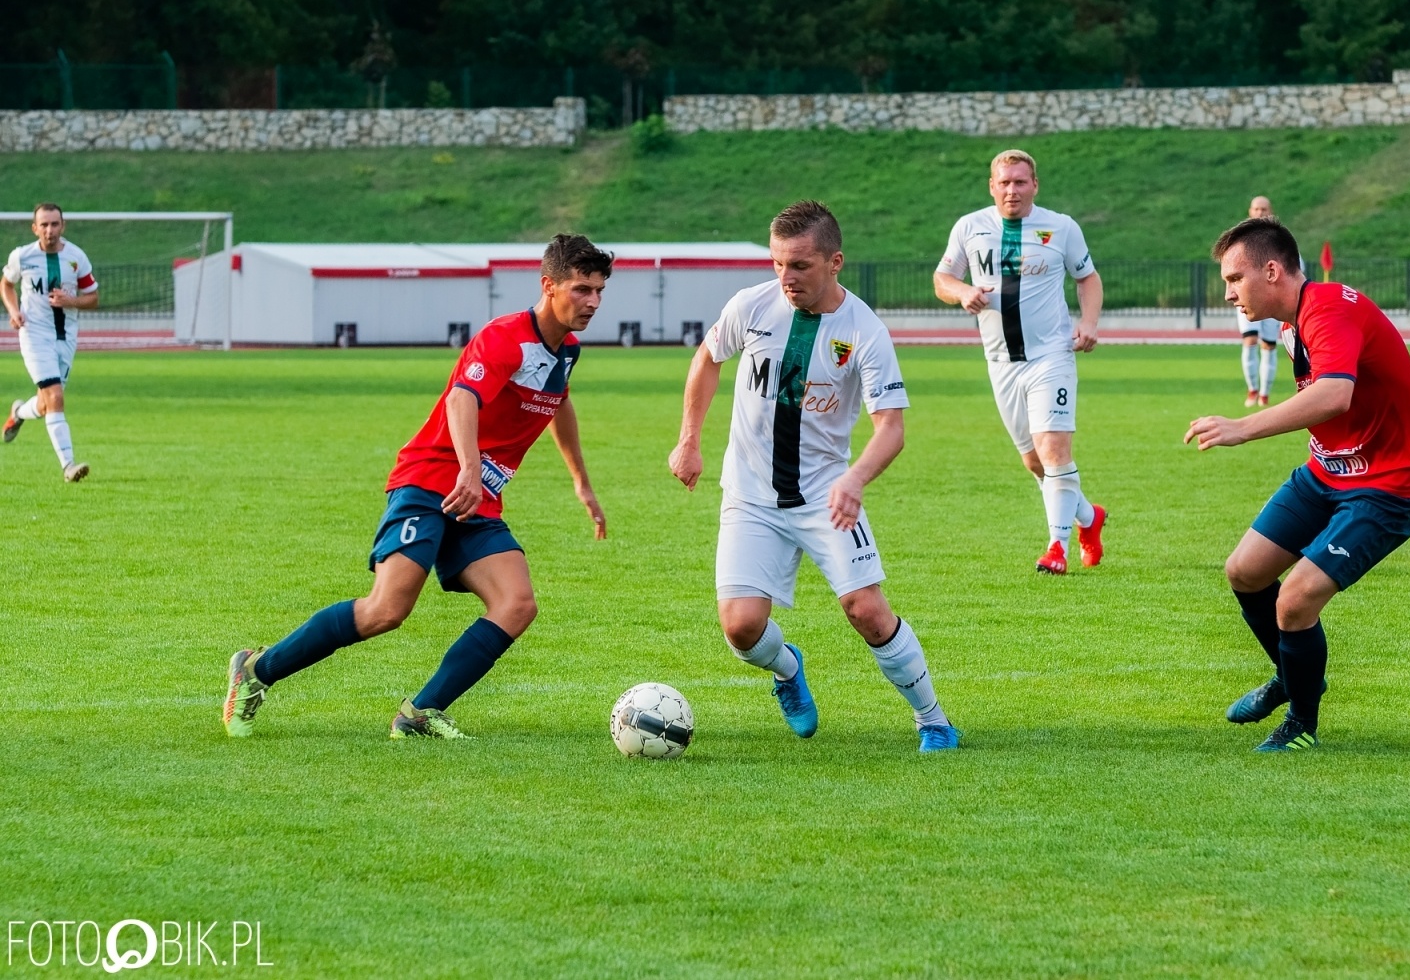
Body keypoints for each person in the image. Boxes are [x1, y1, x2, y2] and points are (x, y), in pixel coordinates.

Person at [223, 234, 611, 740]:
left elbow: (558, 402)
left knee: (517, 604)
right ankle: (256, 671)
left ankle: (421, 712)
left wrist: (581, 482)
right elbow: (460, 399)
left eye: (600, 290)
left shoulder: (567, 353)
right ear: (548, 285)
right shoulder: (503, 337)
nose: (593, 302)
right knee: (387, 609)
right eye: (582, 289)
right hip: (430, 480)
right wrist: (469, 469)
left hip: (477, 500)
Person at [668, 200, 958, 752]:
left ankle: (934, 720)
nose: (786, 278)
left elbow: (891, 428)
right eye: (778, 263)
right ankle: (788, 670)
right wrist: (689, 439)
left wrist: (855, 479)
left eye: (800, 265)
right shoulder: (750, 305)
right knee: (741, 628)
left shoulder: (865, 331)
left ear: (835, 262)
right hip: (750, 496)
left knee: (868, 611)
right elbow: (708, 358)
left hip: (824, 496)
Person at [1185, 218, 1410, 752]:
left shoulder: (1327, 309)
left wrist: (1242, 428)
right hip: (1328, 471)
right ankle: (1293, 672)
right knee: (1245, 571)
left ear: (1272, 270)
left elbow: (1333, 396)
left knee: (1296, 600)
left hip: (1391, 483)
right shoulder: (1291, 321)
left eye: (1235, 278)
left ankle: (1302, 721)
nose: (1228, 293)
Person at [932, 149, 1107, 576]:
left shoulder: (1061, 227)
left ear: (1035, 185)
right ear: (992, 186)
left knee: (1053, 451)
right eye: (1004, 182)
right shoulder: (969, 228)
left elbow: (1087, 277)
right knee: (1034, 462)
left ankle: (1056, 548)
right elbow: (942, 279)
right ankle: (1089, 518)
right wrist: (962, 292)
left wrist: (1087, 322)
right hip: (1001, 363)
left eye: (1020, 182)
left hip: (1051, 356)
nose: (1012, 189)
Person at [2, 203, 97, 481]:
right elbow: (6, 284)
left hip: (65, 337)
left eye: (54, 224)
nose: (49, 230)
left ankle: (18, 412)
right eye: (44, 225)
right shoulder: (23, 256)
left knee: (46, 405)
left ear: (63, 226)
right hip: (34, 335)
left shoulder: (76, 258)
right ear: (35, 228)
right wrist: (13, 311)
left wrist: (72, 301)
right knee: (56, 396)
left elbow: (93, 297)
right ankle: (69, 466)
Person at [1238, 195, 1283, 408]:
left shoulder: (1279, 239)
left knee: (1269, 345)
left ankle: (1265, 394)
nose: (1259, 213)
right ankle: (1252, 389)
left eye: (1263, 209)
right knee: (1250, 340)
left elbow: (1293, 266)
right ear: (1250, 211)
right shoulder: (1240, 239)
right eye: (1256, 209)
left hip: (1272, 299)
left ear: (1270, 211)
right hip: (1247, 297)